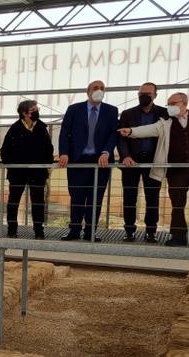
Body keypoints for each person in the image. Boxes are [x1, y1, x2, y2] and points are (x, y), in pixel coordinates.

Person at [119, 92, 189, 247]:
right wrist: (131, 131)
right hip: (175, 171)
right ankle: (178, 237)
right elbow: (148, 129)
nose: (170, 107)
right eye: (168, 104)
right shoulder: (165, 122)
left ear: (184, 103)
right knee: (178, 205)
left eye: (173, 103)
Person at [58, 80, 119, 242]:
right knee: (77, 197)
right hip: (78, 161)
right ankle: (74, 230)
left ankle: (91, 231)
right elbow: (65, 132)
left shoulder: (111, 111)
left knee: (95, 198)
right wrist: (63, 153)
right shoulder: (74, 109)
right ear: (88, 91)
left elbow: (113, 134)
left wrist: (106, 152)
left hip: (101, 163)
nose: (99, 90)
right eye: (95, 88)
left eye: (102, 88)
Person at [118, 82, 168, 243]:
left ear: (155, 95)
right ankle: (129, 230)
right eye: (141, 94)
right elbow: (121, 137)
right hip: (130, 162)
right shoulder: (127, 113)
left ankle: (151, 232)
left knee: (152, 197)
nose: (143, 96)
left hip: (154, 162)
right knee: (129, 197)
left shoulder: (164, 113)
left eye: (147, 93)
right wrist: (125, 156)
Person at [0, 100, 54, 239]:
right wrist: (12, 165)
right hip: (18, 173)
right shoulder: (15, 129)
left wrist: (46, 166)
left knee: (38, 202)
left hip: (37, 172)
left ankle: (38, 230)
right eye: (33, 110)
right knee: (14, 201)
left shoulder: (42, 128)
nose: (36, 112)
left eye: (37, 109)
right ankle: (12, 229)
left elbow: (49, 149)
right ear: (24, 113)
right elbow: (5, 150)